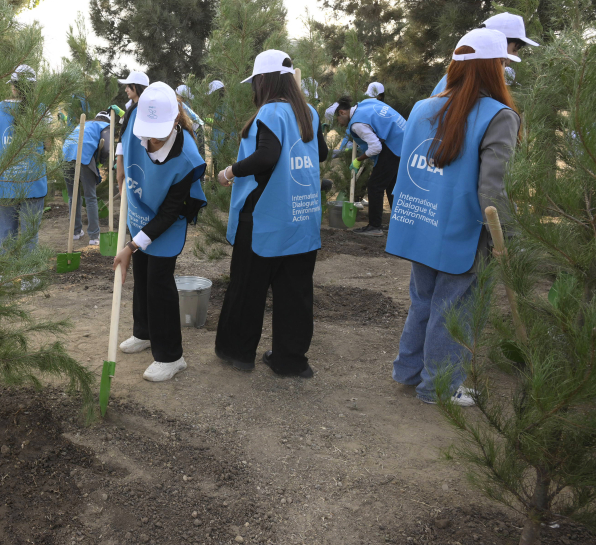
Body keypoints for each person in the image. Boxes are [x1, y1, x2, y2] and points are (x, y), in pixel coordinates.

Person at [386, 28, 521, 406]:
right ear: (495, 67)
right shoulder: (500, 116)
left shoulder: (422, 106)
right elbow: (491, 191)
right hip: (461, 230)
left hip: (420, 221)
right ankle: (439, 386)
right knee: (453, 307)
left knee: (424, 300)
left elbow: (411, 165)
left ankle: (408, 371)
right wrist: (506, 237)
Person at [213, 50, 326, 376]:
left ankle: (238, 353)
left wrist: (229, 172)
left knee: (248, 287)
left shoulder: (271, 113)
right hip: (302, 216)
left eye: (255, 81)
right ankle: (290, 360)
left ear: (263, 80)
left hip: (265, 216)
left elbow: (266, 157)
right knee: (295, 293)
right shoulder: (309, 114)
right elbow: (321, 152)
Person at [113, 82, 207, 382]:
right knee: (142, 274)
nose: (151, 137)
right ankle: (143, 332)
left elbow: (169, 213)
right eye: (147, 130)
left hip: (168, 220)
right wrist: (119, 170)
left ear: (176, 120)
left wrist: (130, 247)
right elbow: (124, 155)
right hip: (140, 210)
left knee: (157, 282)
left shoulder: (187, 158)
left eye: (159, 130)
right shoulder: (134, 129)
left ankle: (170, 356)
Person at [333, 92, 406, 236]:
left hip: (394, 146)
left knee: (375, 186)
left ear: (342, 112)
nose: (340, 124)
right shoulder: (365, 104)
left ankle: (374, 227)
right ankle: (399, 225)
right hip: (404, 139)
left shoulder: (357, 124)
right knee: (391, 186)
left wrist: (358, 159)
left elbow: (376, 147)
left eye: (338, 120)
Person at [0, 65, 48, 248]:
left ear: (13, 87)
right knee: (30, 237)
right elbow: (48, 144)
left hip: (5, 182)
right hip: (33, 183)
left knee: (6, 235)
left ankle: (6, 275)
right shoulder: (41, 110)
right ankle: (29, 277)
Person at [431, 12, 538, 96]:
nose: (515, 57)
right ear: (499, 43)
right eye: (515, 49)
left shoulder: (452, 80)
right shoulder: (465, 85)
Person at [62, 110, 111, 246]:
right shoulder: (105, 126)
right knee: (90, 197)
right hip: (83, 157)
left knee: (73, 196)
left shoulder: (84, 124)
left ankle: (76, 232)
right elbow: (106, 149)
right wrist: (101, 161)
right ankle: (94, 236)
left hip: (66, 157)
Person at [115, 70, 149, 193]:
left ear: (135, 86)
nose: (126, 90)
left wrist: (120, 165)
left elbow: (124, 139)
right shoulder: (132, 108)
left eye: (128, 87)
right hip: (136, 162)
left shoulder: (139, 109)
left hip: (139, 162)